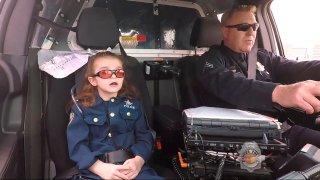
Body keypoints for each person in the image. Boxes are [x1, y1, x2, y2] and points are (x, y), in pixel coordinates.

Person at [196, 4, 320, 174]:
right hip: (244, 142)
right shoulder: (210, 62)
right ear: (225, 31)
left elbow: (297, 67)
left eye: (254, 26)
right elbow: (232, 85)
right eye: (243, 27)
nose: (251, 32)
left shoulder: (261, 56)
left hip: (282, 132)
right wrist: (280, 92)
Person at [67, 51, 163, 180]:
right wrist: (99, 168)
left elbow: (144, 136)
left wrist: (139, 161)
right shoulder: (81, 108)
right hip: (96, 171)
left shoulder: (134, 105)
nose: (114, 77)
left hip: (132, 169)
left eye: (119, 72)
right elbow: (77, 146)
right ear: (93, 80)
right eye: (105, 73)